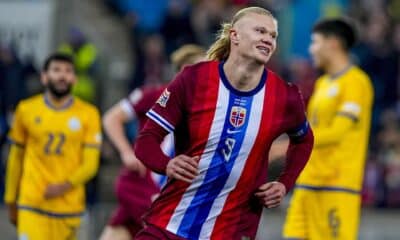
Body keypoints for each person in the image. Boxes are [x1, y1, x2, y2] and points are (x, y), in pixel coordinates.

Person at [134, 6, 314, 240]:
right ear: (235, 35)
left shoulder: (285, 96)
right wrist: (165, 164)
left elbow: (304, 140)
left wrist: (284, 183)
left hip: (231, 231)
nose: (268, 39)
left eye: (272, 35)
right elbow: (146, 140)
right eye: (260, 31)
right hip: (169, 224)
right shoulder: (194, 79)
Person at [99, 44, 206, 240]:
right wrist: (126, 152)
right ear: (183, 71)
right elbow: (111, 118)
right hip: (141, 184)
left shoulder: (209, 110)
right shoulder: (154, 96)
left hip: (170, 191)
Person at [283, 19, 374, 240]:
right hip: (308, 184)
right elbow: (313, 129)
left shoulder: (356, 82)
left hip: (337, 187)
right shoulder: (323, 84)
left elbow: (337, 132)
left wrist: (289, 144)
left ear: (333, 43)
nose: (311, 49)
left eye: (315, 42)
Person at [4, 53, 102, 240]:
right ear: (44, 76)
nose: (62, 76)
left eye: (67, 71)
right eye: (56, 70)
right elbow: (15, 157)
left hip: (69, 208)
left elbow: (91, 164)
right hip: (31, 203)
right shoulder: (26, 109)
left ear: (74, 78)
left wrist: (64, 186)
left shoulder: (89, 114)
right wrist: (10, 199)